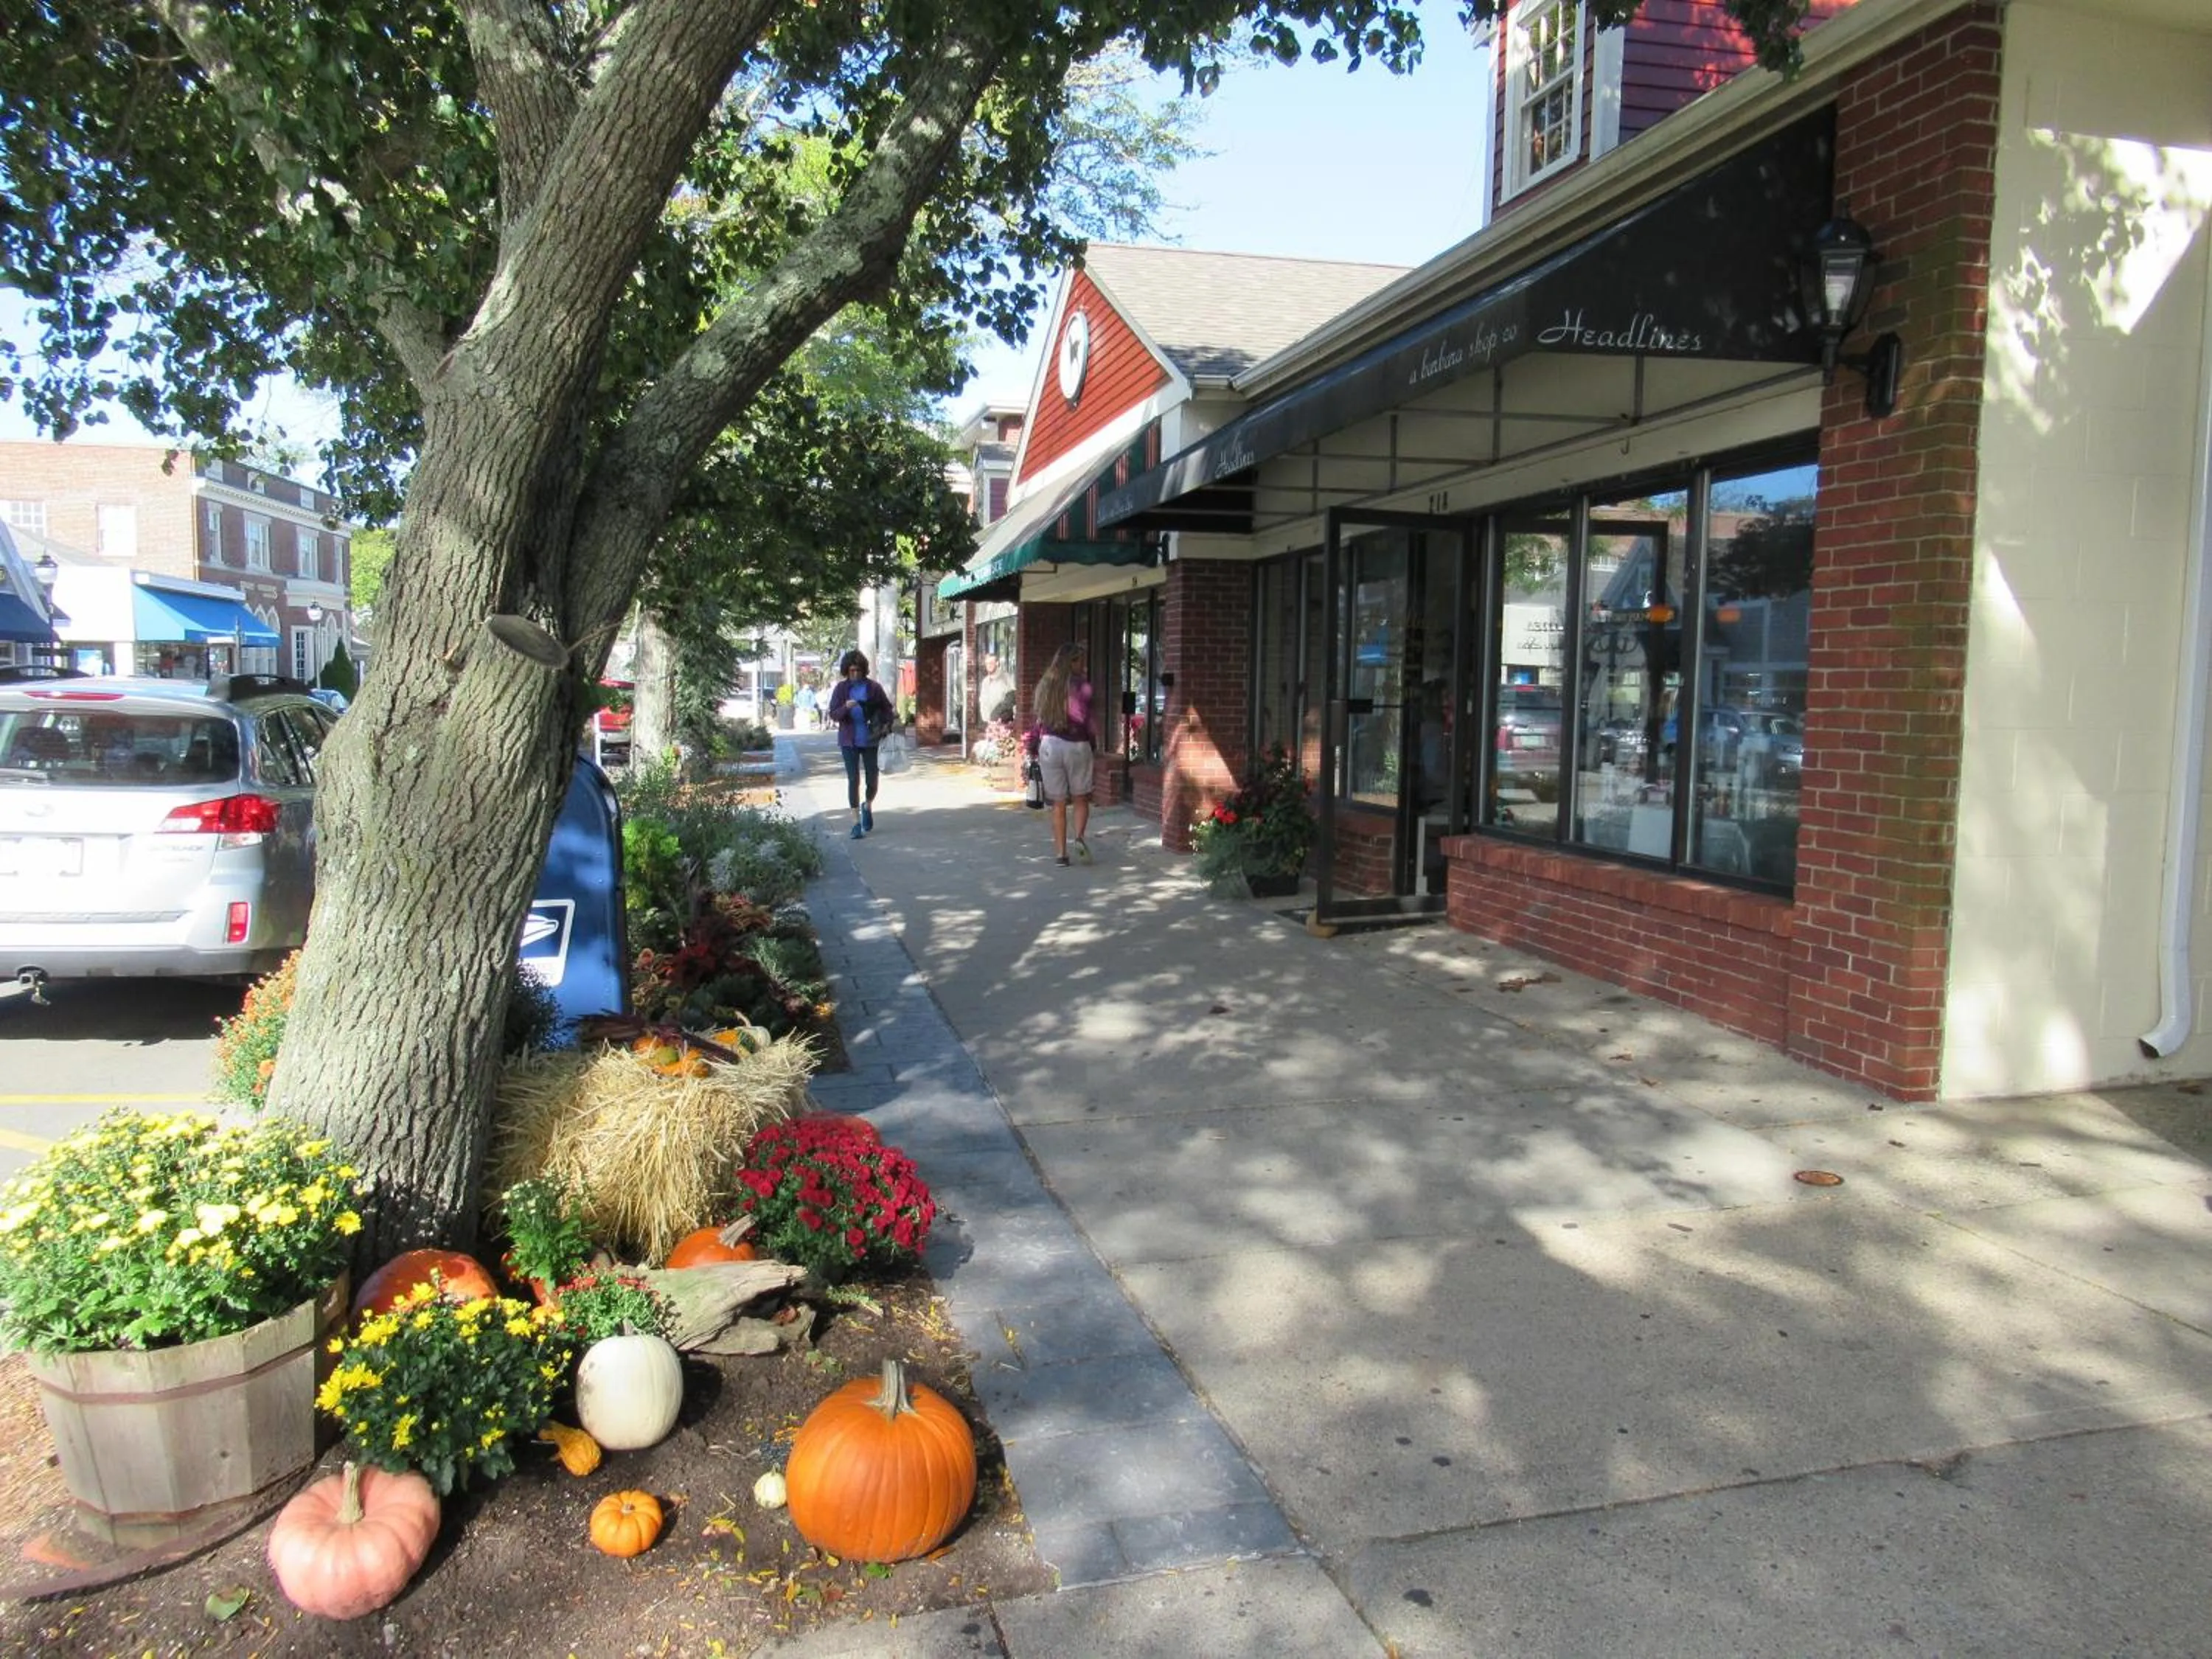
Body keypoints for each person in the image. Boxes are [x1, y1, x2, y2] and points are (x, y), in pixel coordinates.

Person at [1023, 641, 1096, 867]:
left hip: (1050, 745)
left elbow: (1039, 719)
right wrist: (1093, 742)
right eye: (1080, 660)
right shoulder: (1082, 687)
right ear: (1071, 662)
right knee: (1081, 797)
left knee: (1058, 803)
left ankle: (1060, 854)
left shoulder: (1046, 685)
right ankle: (1080, 839)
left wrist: (1032, 744)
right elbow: (1086, 720)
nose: (1084, 665)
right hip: (1076, 745)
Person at [825, 649, 893, 839]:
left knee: (873, 779)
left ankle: (868, 805)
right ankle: (855, 822)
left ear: (864, 670)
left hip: (871, 740)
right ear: (846, 671)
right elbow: (833, 714)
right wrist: (845, 708)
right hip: (849, 740)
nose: (855, 674)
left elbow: (887, 709)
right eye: (851, 671)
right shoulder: (841, 689)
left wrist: (887, 725)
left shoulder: (874, 688)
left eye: (858, 670)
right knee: (853, 779)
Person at [978, 653, 1016, 724]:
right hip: (988, 723)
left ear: (997, 663)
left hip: (1003, 723)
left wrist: (999, 716)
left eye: (991, 663)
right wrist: (986, 720)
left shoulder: (1006, 678)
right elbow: (983, 702)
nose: (989, 666)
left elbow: (1012, 698)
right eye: (987, 663)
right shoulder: (985, 682)